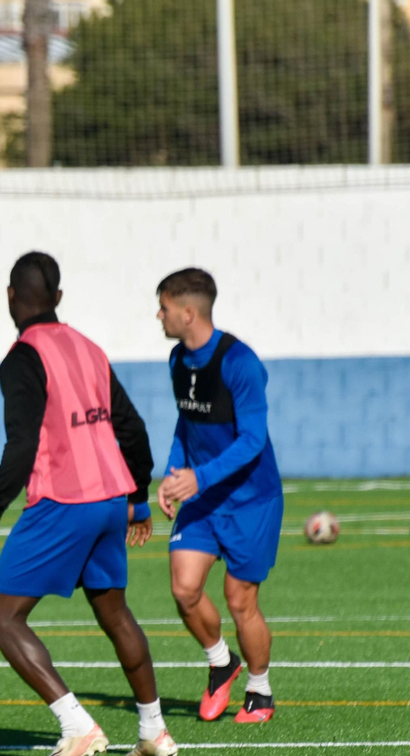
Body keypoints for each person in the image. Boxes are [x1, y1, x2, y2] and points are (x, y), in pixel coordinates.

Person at [0, 252, 167, 756]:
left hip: (63, 502)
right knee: (114, 612)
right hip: (110, 501)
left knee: (2, 617)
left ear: (11, 297)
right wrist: (138, 497)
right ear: (58, 299)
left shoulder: (21, 357)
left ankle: (76, 724)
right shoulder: (89, 347)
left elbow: (21, 444)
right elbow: (133, 428)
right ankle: (154, 729)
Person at [155, 268, 283, 724]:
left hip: (252, 501)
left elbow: (252, 440)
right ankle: (220, 662)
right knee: (184, 589)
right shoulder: (176, 360)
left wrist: (198, 477)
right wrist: (173, 474)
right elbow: (185, 423)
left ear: (188, 313)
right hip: (204, 496)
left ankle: (260, 690)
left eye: (164, 308)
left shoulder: (241, 363)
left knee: (239, 600)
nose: (159, 316)